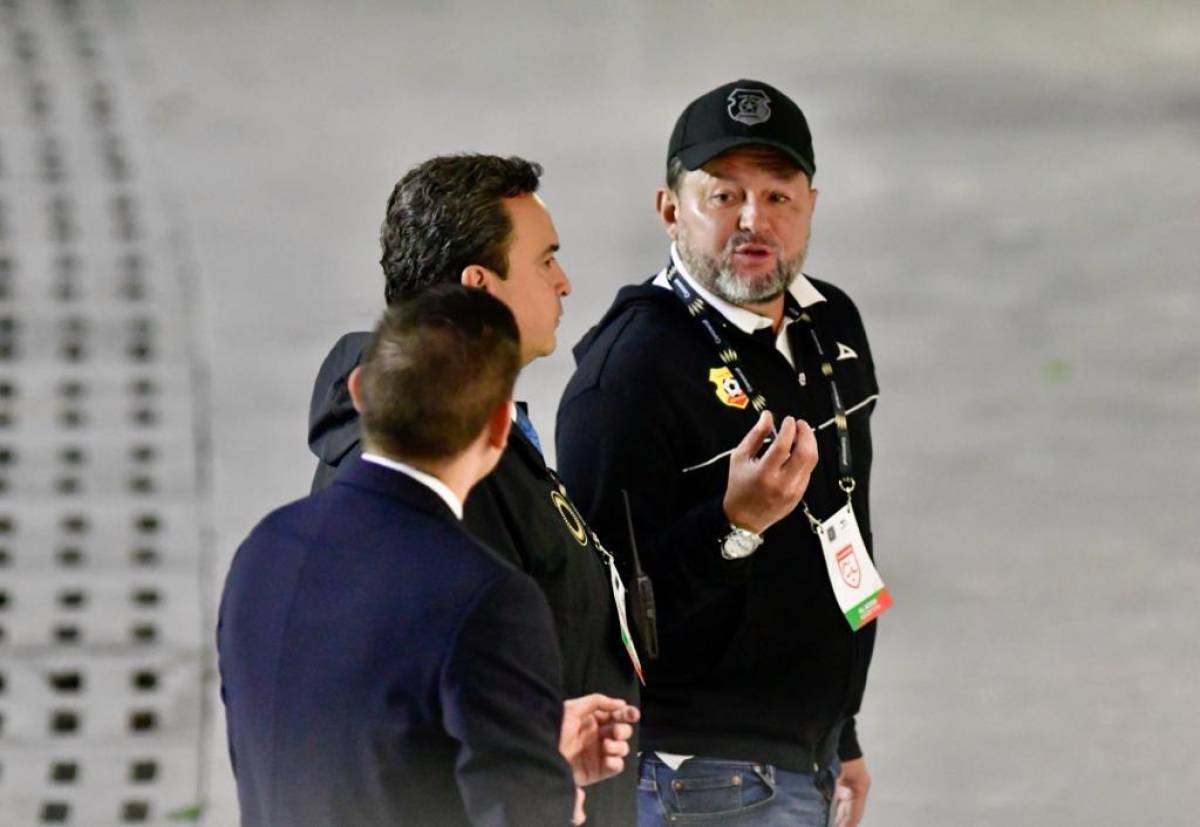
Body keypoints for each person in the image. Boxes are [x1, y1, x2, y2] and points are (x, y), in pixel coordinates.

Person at [556, 79, 885, 827]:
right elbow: (594, 620)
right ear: (671, 209)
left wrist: (844, 727)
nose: (752, 220)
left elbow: (845, 524)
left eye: (778, 196)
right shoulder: (629, 375)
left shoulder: (833, 326)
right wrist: (734, 522)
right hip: (699, 778)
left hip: (809, 752)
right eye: (723, 195)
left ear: (811, 205)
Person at [219, 286, 636, 826]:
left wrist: (532, 742)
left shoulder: (264, 550)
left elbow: (348, 748)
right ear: (499, 426)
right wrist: (555, 794)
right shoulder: (490, 598)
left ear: (360, 391)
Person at [307, 155, 642, 825]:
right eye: (545, 261)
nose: (565, 282)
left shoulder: (482, 446)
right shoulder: (440, 479)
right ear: (481, 287)